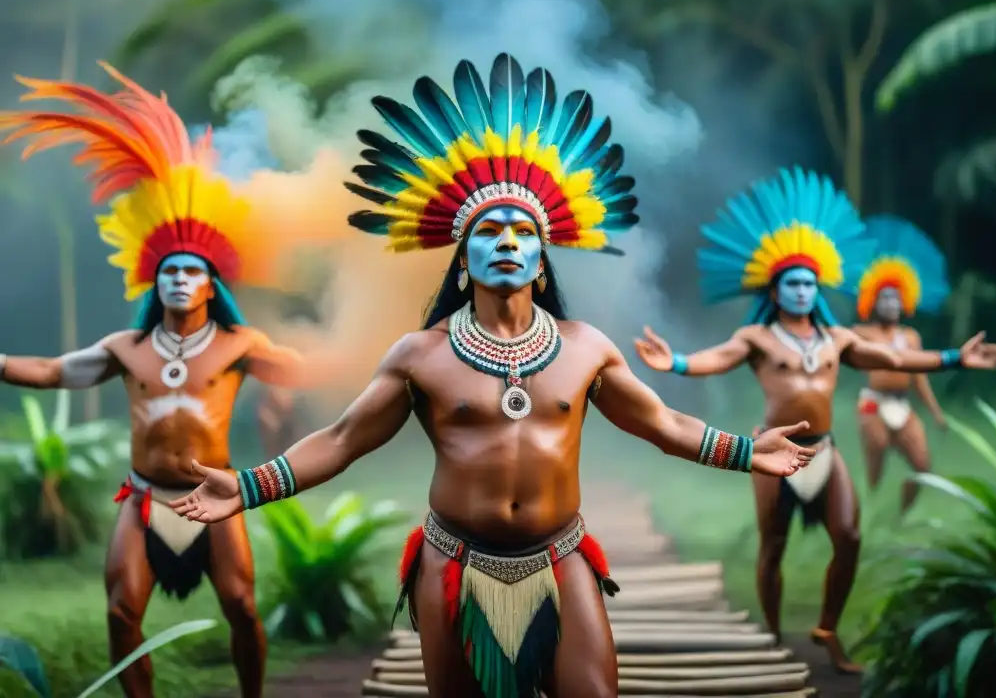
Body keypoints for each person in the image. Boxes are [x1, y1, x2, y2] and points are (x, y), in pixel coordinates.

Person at [171, 53, 816, 698]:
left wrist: (747, 453)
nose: (506, 240)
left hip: (560, 560)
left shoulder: (585, 348)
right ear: (461, 263)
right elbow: (342, 440)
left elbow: (662, 422)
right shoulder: (420, 355)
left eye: (521, 232)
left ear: (540, 263)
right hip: (453, 563)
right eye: (488, 231)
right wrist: (247, 488)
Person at [0, 64, 343, 698]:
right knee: (119, 612)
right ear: (153, 282)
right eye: (169, 272)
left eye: (192, 271)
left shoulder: (241, 345)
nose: (179, 280)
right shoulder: (126, 349)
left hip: (214, 497)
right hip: (144, 499)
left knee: (242, 606)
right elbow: (51, 373)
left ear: (213, 284)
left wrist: (359, 349)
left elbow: (306, 368)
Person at [633, 167, 996, 674]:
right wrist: (673, 362)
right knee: (774, 546)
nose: (803, 290)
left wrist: (954, 358)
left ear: (818, 288)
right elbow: (713, 359)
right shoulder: (757, 340)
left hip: (824, 450)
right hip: (770, 450)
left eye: (810, 282)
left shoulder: (839, 340)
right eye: (793, 283)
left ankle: (827, 629)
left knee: (849, 537)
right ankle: (770, 635)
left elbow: (893, 361)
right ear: (776, 290)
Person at [848, 215, 952, 514]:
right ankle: (868, 510)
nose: (890, 305)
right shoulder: (862, 333)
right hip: (872, 404)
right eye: (884, 299)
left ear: (904, 301)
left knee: (923, 465)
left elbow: (919, 377)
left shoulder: (911, 336)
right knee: (876, 456)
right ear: (873, 302)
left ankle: (900, 516)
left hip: (902, 406)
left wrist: (935, 413)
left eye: (895, 299)